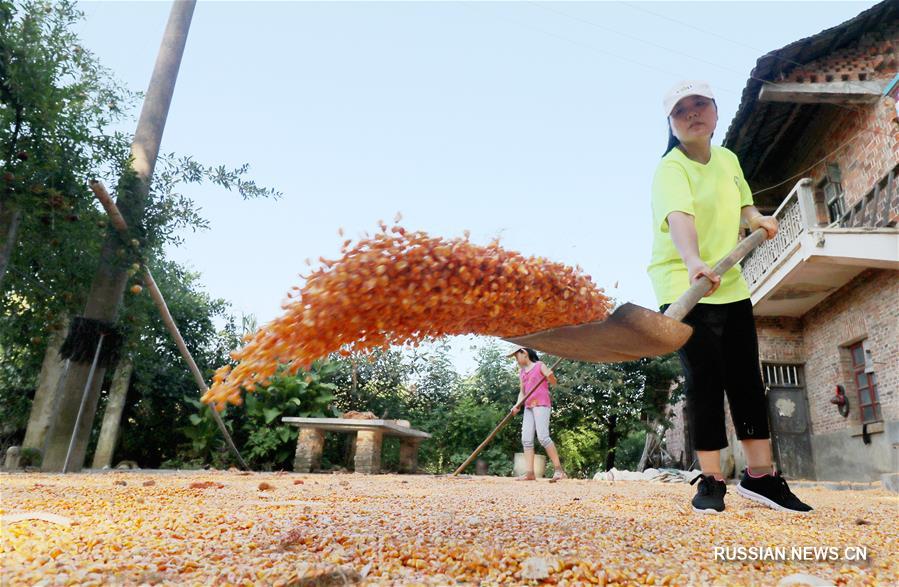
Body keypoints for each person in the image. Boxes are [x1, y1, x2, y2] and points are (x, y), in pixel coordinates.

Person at [647, 80, 812, 514]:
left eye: (700, 104)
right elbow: (679, 218)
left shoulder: (728, 159)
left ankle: (761, 477)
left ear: (715, 111)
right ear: (671, 123)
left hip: (730, 283)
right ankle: (711, 479)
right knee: (705, 377)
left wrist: (757, 217)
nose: (692, 113)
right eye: (681, 109)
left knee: (744, 377)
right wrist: (693, 261)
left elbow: (743, 204)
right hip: (683, 283)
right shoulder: (671, 168)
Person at [508, 346, 567, 481]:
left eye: (516, 356)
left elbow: (553, 382)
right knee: (526, 439)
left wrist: (550, 375)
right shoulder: (522, 372)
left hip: (541, 404)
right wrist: (517, 406)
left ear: (524, 353)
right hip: (529, 406)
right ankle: (530, 473)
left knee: (543, 437)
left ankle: (559, 471)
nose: (516, 360)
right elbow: (522, 392)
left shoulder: (540, 365)